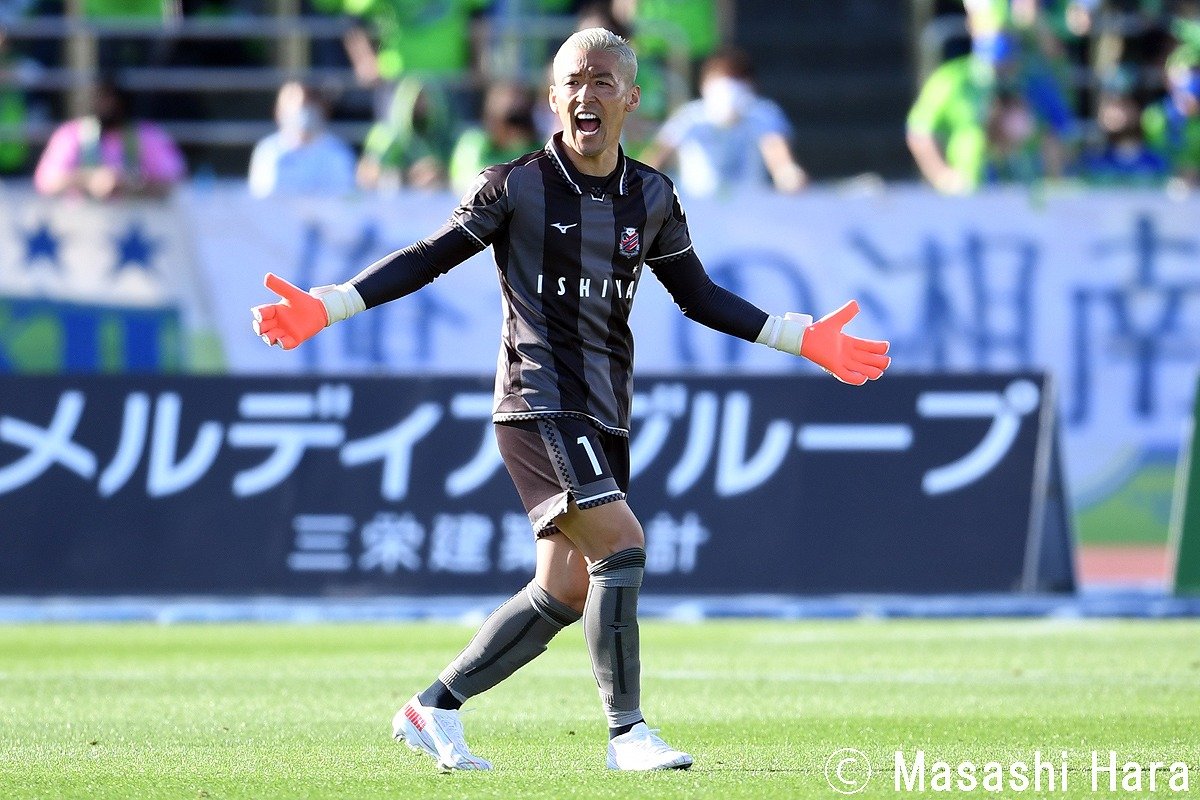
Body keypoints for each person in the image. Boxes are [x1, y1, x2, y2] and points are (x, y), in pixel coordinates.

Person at [251, 28, 890, 773]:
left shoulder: (651, 195)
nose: (586, 95)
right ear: (554, 98)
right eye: (572, 83)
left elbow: (699, 296)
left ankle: (433, 708)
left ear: (632, 99)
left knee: (563, 585)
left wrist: (798, 338)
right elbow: (427, 259)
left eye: (602, 82)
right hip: (536, 398)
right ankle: (628, 734)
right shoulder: (513, 185)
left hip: (604, 407)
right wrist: (330, 306)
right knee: (622, 543)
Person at [907, 25, 1075, 194]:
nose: (999, 73)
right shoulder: (953, 79)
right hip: (968, 190)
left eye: (1005, 65)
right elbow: (919, 131)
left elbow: (1062, 132)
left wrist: (1053, 180)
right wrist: (942, 176)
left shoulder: (1032, 82)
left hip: (1027, 190)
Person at [642, 48, 807, 196]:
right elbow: (655, 160)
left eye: (735, 85)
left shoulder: (763, 115)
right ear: (705, 85)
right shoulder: (689, 116)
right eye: (721, 83)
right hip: (695, 213)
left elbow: (778, 155)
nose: (728, 95)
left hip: (749, 210)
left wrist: (789, 175)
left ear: (750, 88)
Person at [33, 78, 185, 199]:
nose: (108, 106)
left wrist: (133, 184)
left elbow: (175, 180)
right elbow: (45, 181)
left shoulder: (148, 135)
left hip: (134, 222)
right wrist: (88, 180)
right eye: (103, 99)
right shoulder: (71, 134)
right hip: (82, 228)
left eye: (113, 100)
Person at [248, 81, 356, 198]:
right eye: (292, 100)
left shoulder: (337, 151)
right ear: (278, 111)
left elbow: (343, 197)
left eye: (307, 103)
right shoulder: (267, 150)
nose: (300, 105)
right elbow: (261, 197)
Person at [448, 82, 538, 194]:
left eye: (522, 118)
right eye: (510, 119)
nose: (514, 129)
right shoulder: (474, 143)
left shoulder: (540, 148)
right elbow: (465, 182)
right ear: (493, 118)